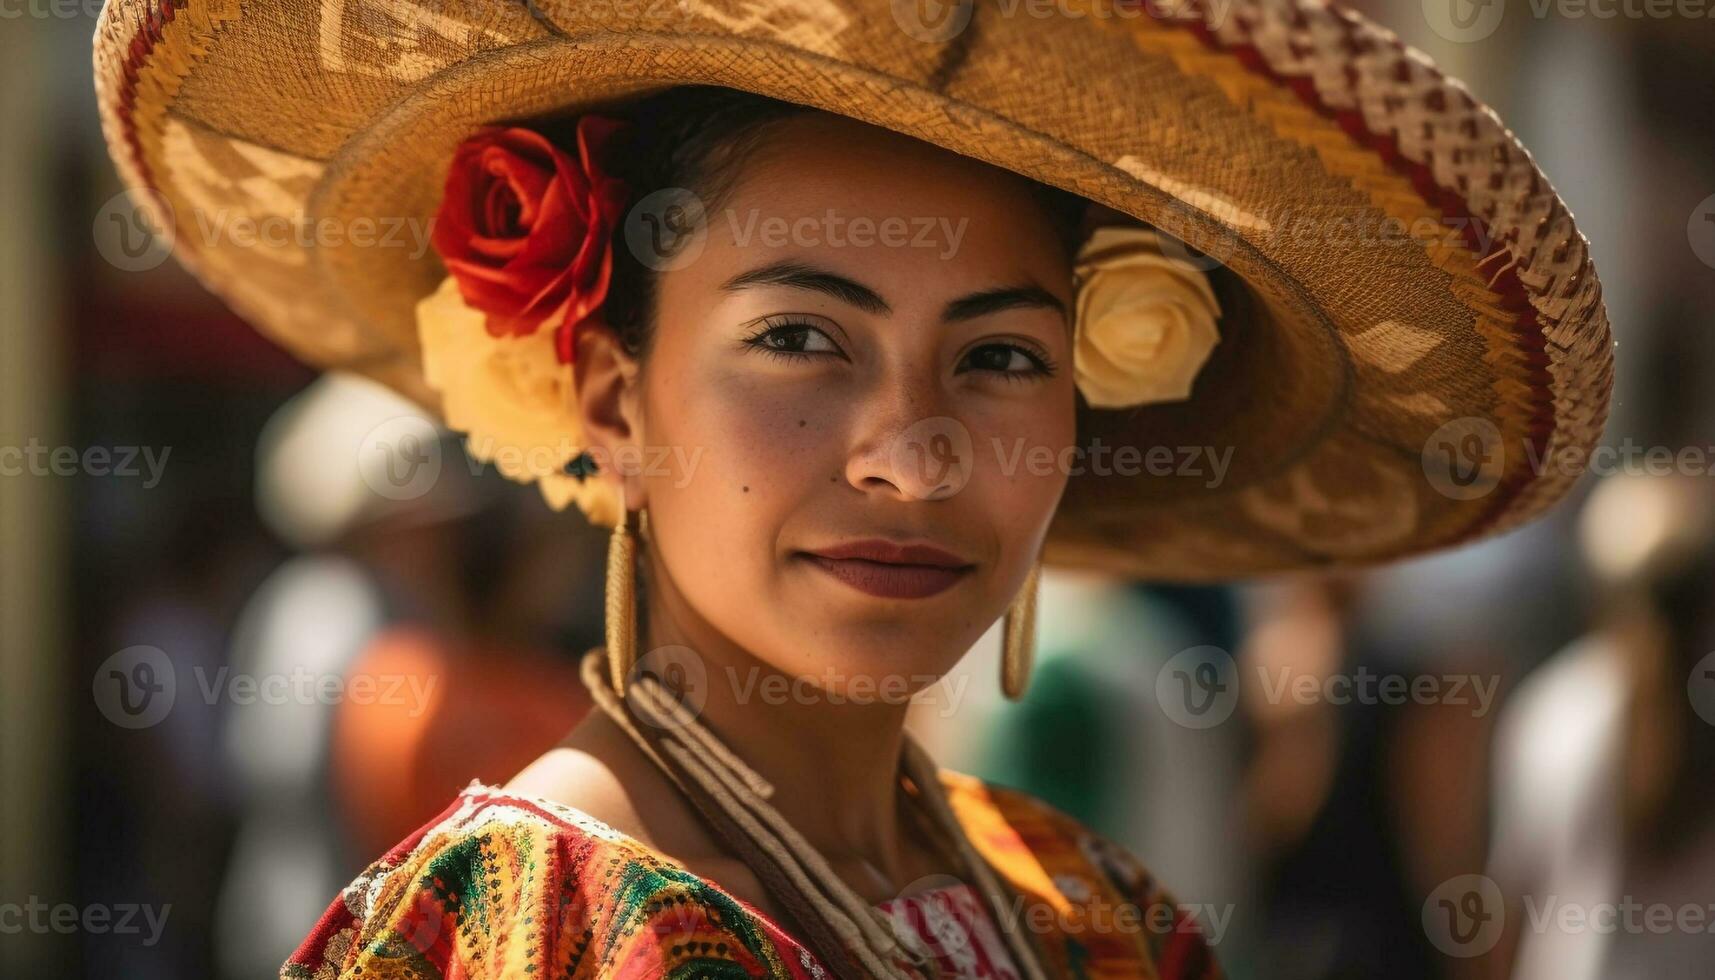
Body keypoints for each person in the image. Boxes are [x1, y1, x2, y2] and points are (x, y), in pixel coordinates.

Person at [91, 1, 1612, 976]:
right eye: (802, 338)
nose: (913, 450)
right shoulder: (511, 934)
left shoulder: (1098, 915)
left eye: (1004, 357)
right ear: (617, 404)